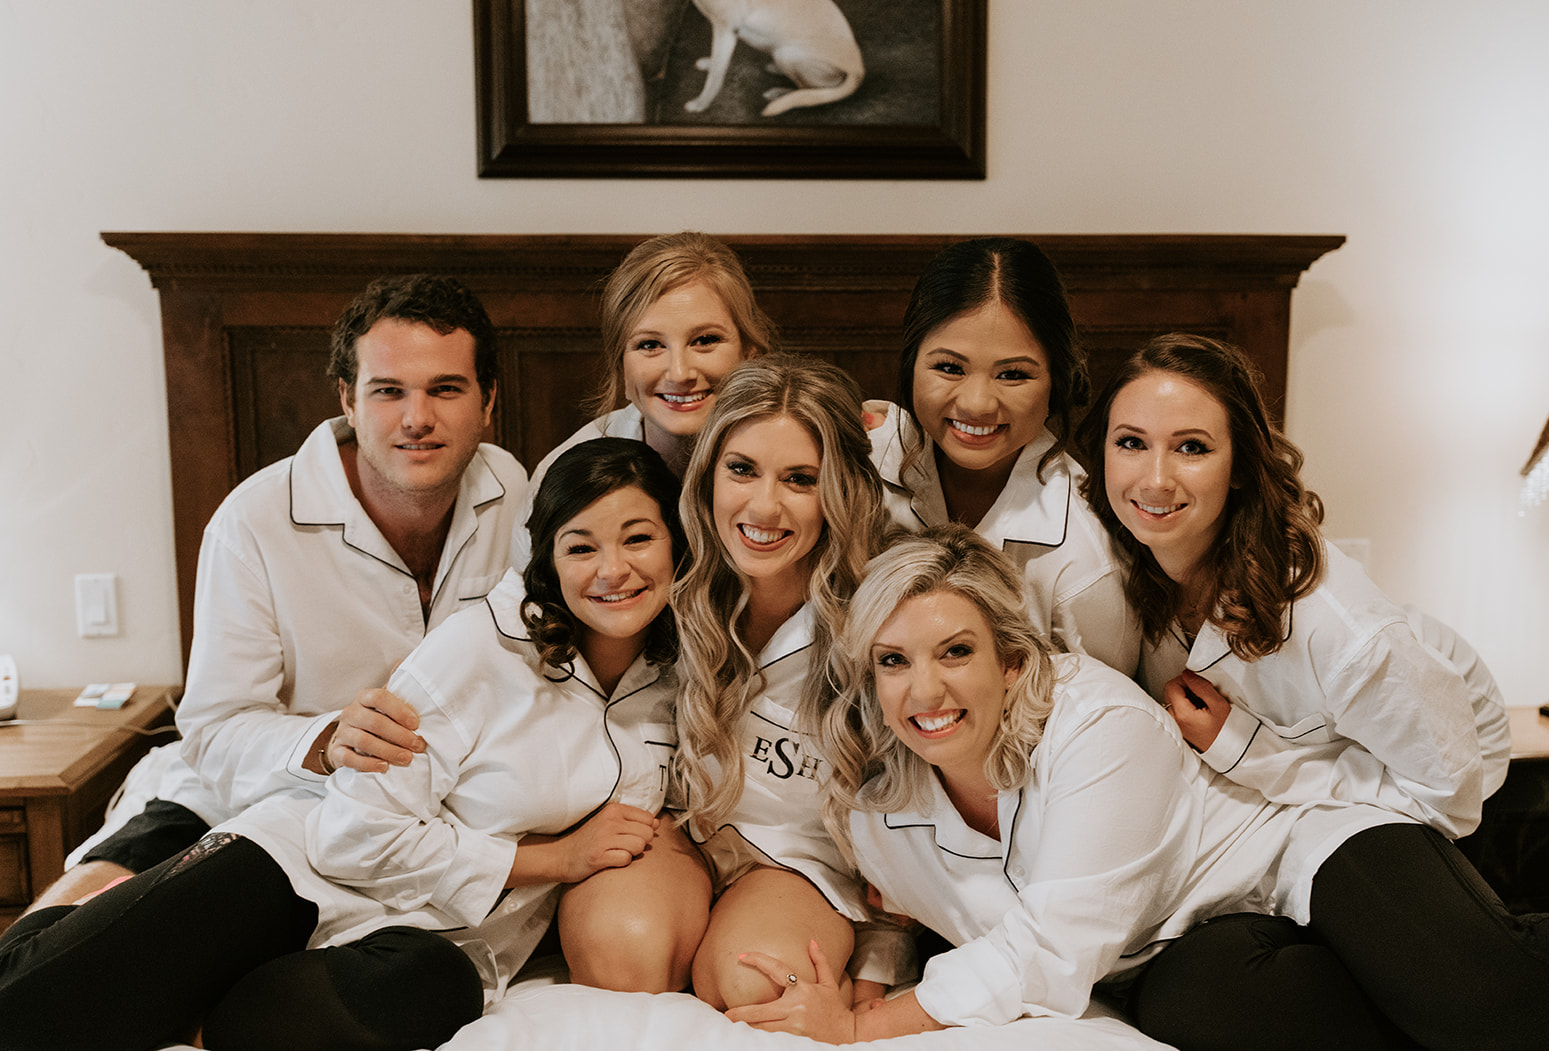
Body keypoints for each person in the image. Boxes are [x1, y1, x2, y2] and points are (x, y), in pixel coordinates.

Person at [735, 527, 1549, 1050]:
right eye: (893, 661)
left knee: (1475, 993)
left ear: (1012, 655)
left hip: (1299, 842)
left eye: (955, 650)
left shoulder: (1095, 722)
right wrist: (872, 979)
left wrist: (858, 1030)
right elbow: (907, 914)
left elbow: (1051, 946)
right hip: (1188, 938)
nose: (923, 692)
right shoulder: (875, 799)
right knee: (1221, 1017)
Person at [0, 438, 690, 1051]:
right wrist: (554, 858)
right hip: (306, 867)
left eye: (638, 538)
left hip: (436, 938)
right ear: (545, 558)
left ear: (677, 544)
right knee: (30, 1017)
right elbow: (350, 833)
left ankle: (182, 999)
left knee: (425, 991)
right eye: (580, 545)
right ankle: (89, 907)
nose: (613, 569)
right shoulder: (481, 649)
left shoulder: (677, 674)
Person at [31, 274, 530, 913]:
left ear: (488, 399)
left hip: (437, 810)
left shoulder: (514, 492)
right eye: (388, 391)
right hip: (250, 796)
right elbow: (214, 733)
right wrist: (327, 740)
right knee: (57, 935)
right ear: (348, 400)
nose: (417, 418)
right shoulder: (254, 522)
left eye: (446, 389)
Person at [1076, 332, 1506, 839]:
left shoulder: (1340, 628)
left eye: (1191, 447)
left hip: (1449, 756)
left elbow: (1448, 800)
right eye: (1131, 442)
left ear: (1240, 466)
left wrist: (1247, 750)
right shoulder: (1107, 559)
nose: (1154, 480)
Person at [657, 353, 911, 1011]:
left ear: (839, 493)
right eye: (742, 469)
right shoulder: (662, 575)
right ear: (709, 471)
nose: (764, 506)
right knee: (620, 949)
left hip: (798, 864)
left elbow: (914, 805)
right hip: (677, 839)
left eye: (800, 479)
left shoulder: (881, 621)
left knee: (756, 983)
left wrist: (880, 962)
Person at [866, 237, 1139, 675]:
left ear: (1057, 382)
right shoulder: (859, 462)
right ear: (910, 364)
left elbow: (1097, 719)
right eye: (949, 368)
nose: (977, 404)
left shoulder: (1084, 564)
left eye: (1013, 374)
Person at [508, 231, 775, 575]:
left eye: (705, 340)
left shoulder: (803, 450)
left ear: (749, 352)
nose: (679, 372)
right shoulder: (562, 479)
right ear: (621, 364)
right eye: (649, 345)